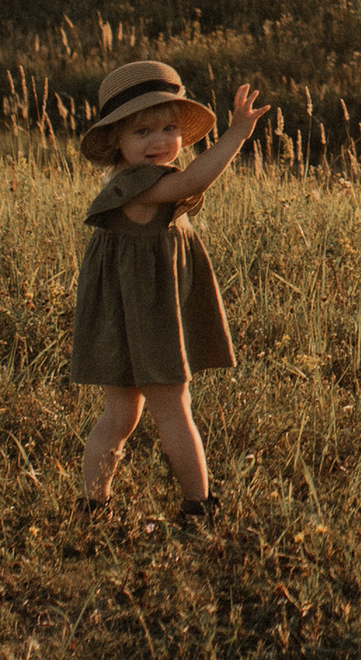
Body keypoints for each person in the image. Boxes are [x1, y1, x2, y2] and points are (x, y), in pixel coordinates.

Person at [73, 57, 268, 527]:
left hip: (127, 308)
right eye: (142, 133)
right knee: (173, 409)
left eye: (167, 127)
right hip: (146, 310)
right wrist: (237, 134)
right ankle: (198, 508)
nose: (160, 141)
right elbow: (196, 180)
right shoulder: (141, 182)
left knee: (119, 417)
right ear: (116, 140)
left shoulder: (141, 177)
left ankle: (92, 506)